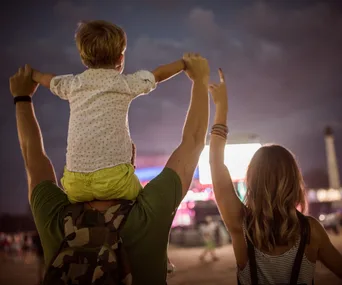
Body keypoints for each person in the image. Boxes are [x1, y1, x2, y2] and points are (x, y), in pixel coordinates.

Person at [9, 52, 209, 284]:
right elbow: (193, 141)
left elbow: (31, 155)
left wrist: (21, 99)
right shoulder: (149, 213)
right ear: (130, 158)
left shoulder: (55, 218)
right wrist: (201, 80)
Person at [208, 69, 342, 284]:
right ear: (294, 182)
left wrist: (221, 107)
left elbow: (215, 161)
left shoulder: (240, 225)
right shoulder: (312, 231)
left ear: (252, 182)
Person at [31, 20, 185, 204]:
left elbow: (50, 80)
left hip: (75, 184)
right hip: (114, 181)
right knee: (143, 201)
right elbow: (158, 75)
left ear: (83, 58)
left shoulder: (73, 85)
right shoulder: (124, 84)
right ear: (120, 59)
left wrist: (33, 75)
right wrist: (184, 63)